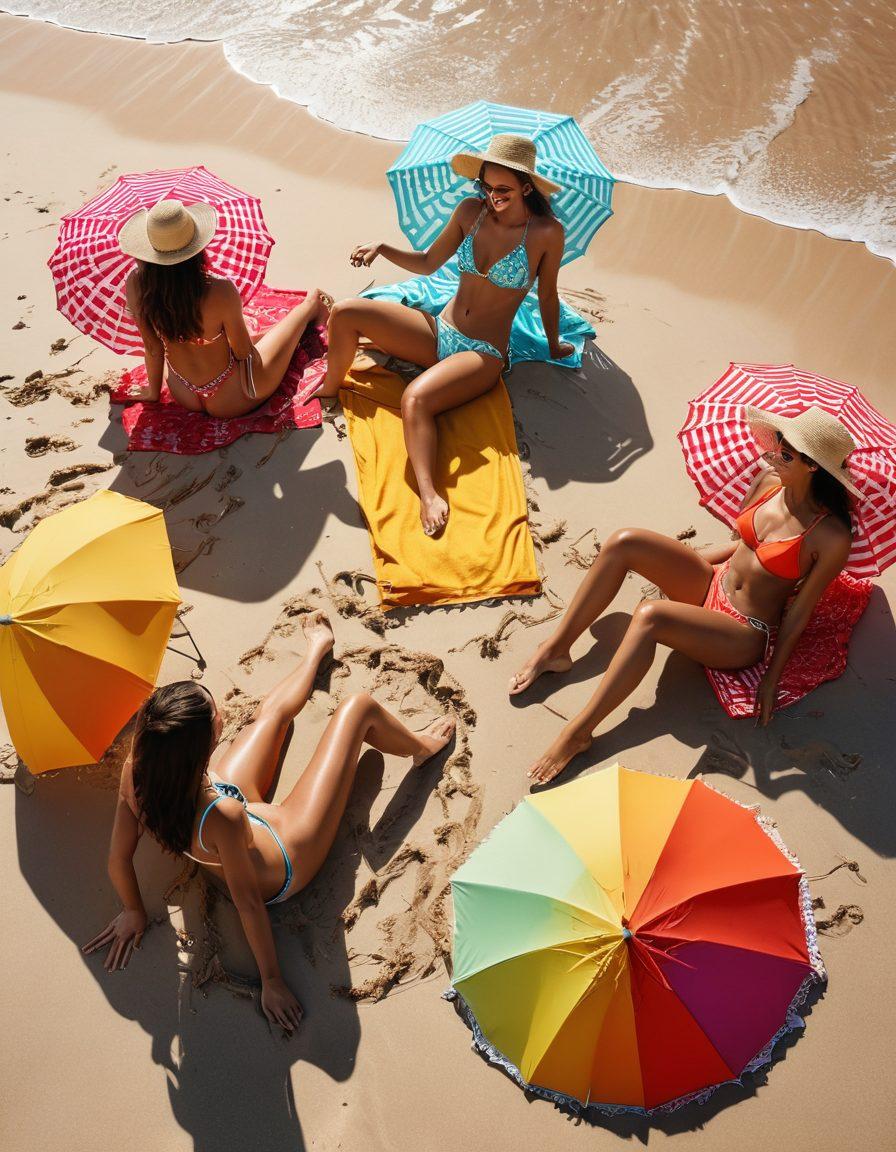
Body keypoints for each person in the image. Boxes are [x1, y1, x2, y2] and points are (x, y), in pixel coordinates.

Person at [83, 611, 455, 1034]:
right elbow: (247, 903)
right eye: (215, 716)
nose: (221, 712)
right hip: (285, 856)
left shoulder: (138, 771)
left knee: (271, 716)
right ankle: (422, 748)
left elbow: (118, 859)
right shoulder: (219, 815)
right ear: (202, 748)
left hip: (227, 817)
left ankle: (317, 651)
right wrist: (271, 981)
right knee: (358, 709)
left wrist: (133, 910)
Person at [510, 406, 860, 783]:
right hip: (712, 582)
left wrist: (771, 679)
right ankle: (557, 648)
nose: (772, 454)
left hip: (742, 629)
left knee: (650, 616)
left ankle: (578, 732)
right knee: (624, 542)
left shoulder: (831, 536)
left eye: (786, 454)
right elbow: (742, 547)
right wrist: (685, 562)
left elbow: (800, 610)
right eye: (778, 443)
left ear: (814, 466)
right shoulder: (767, 480)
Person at [315, 134, 575, 536]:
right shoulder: (470, 212)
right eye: (486, 187)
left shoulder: (545, 233)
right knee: (347, 311)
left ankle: (429, 493)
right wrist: (382, 247)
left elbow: (548, 294)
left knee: (415, 397)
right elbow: (427, 263)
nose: (492, 196)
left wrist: (555, 343)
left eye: (502, 189)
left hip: (483, 353)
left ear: (526, 187)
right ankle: (329, 392)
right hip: (440, 329)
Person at [119, 199, 330, 418]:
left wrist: (153, 393)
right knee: (275, 334)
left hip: (183, 393)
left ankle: (258, 334)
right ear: (196, 247)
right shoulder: (220, 290)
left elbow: (153, 348)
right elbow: (242, 351)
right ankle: (311, 306)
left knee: (204, 339)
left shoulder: (136, 284)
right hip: (233, 397)